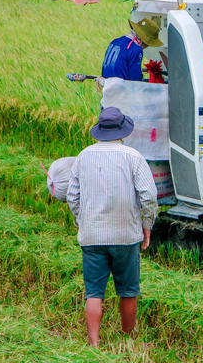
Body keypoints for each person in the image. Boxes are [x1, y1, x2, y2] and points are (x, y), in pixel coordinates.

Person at [66, 106, 158, 347]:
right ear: (122, 133)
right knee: (128, 289)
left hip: (92, 236)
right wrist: (146, 225)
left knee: (94, 291)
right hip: (126, 235)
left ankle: (94, 344)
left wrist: (81, 220)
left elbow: (71, 196)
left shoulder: (83, 156)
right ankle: (128, 339)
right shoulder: (133, 156)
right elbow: (149, 196)